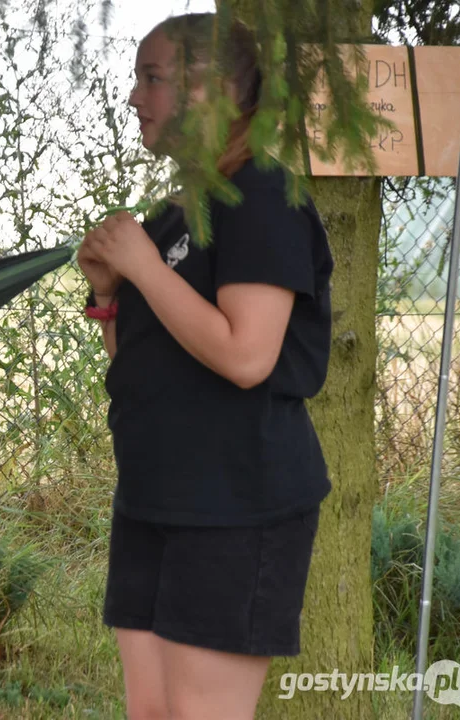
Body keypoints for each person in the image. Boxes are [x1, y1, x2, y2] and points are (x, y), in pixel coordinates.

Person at [77, 13, 334, 720]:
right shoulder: (175, 214)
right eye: (138, 77)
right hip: (155, 496)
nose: (135, 97)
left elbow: (246, 357)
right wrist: (107, 292)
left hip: (235, 505)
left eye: (152, 77)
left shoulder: (260, 197)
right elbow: (142, 360)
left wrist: (139, 268)